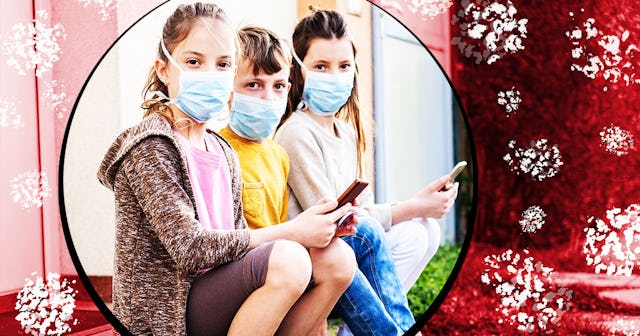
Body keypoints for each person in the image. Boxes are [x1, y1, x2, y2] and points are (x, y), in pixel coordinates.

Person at [97, 3, 355, 335]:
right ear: (164, 69)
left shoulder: (222, 150)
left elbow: (238, 241)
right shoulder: (151, 146)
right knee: (288, 258)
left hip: (218, 291)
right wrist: (292, 233)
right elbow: (191, 249)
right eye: (193, 62)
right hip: (173, 313)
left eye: (222, 64)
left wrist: (317, 226)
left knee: (337, 260)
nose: (210, 74)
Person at [274, 9, 459, 336]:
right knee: (370, 231)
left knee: (421, 232)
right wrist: (413, 205)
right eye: (321, 66)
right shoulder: (296, 132)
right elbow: (337, 221)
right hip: (318, 251)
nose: (334, 76)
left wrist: (418, 209)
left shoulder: (345, 133)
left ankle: (357, 330)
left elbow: (362, 211)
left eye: (343, 66)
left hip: (348, 240)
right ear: (300, 72)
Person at [220, 25, 414, 335]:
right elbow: (226, 242)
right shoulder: (224, 151)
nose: (268, 99)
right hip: (252, 275)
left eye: (279, 86)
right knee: (362, 233)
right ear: (226, 88)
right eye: (253, 84)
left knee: (355, 244)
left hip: (288, 268)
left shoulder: (275, 154)